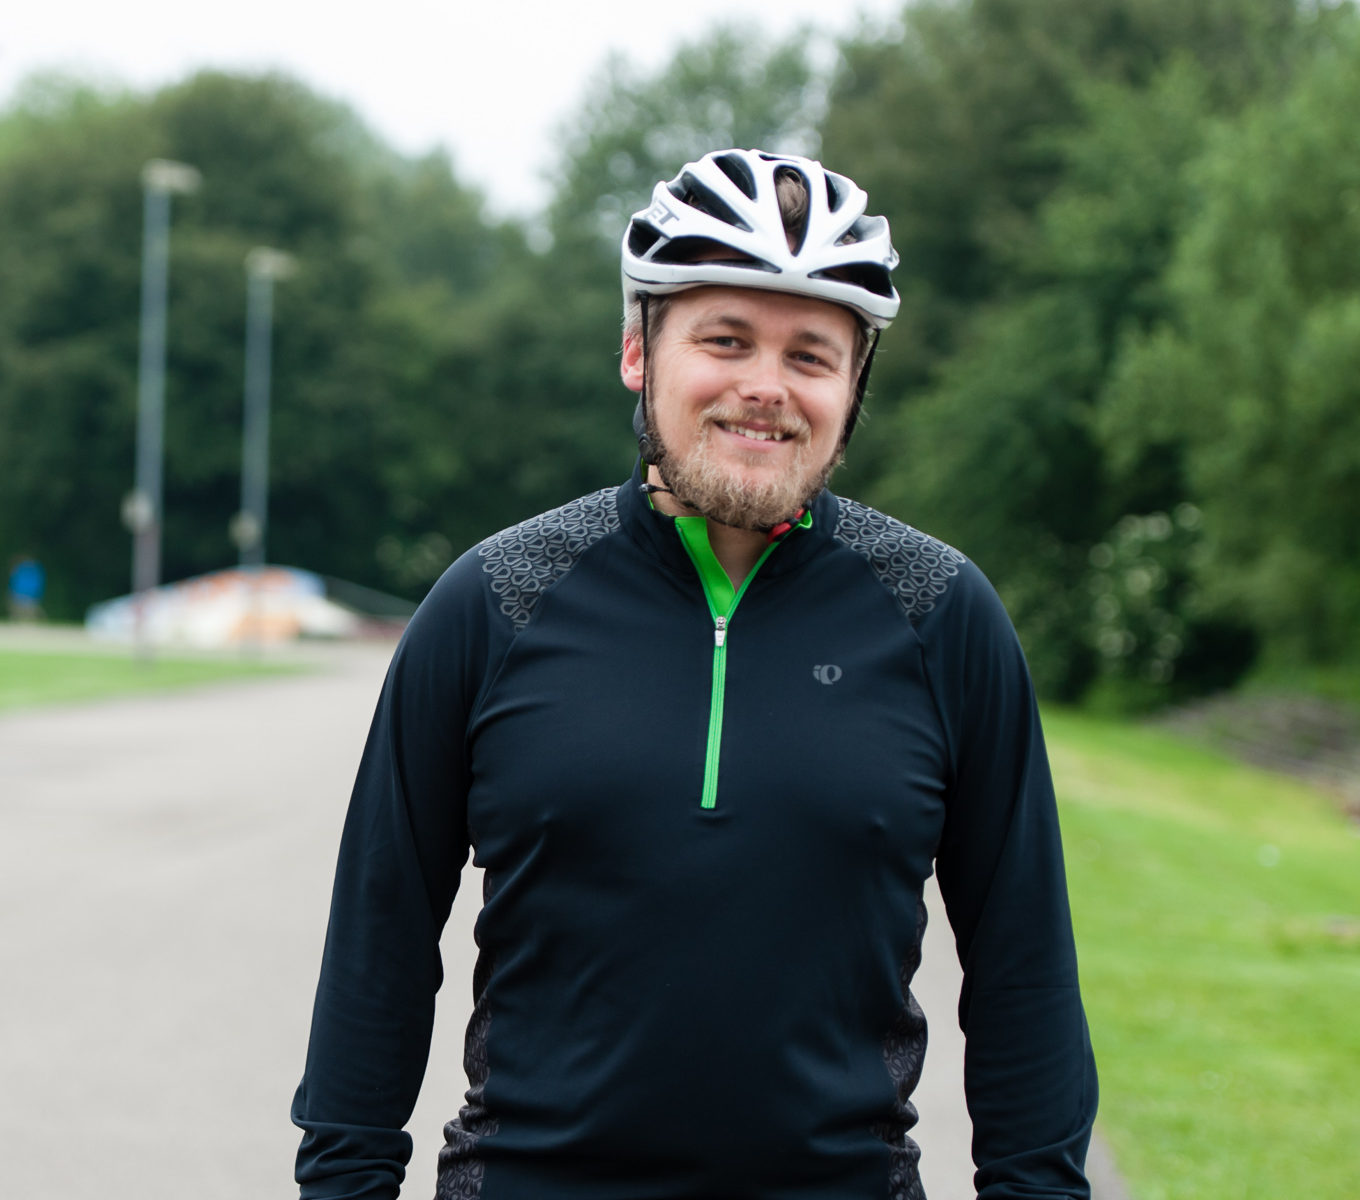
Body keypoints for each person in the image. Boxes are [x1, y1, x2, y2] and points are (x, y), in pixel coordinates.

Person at [291, 149, 1096, 1199]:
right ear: (638, 350)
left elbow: (1021, 966)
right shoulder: (493, 600)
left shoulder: (941, 615)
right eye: (725, 339)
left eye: (809, 354)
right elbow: (379, 940)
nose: (764, 386)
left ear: (853, 387)